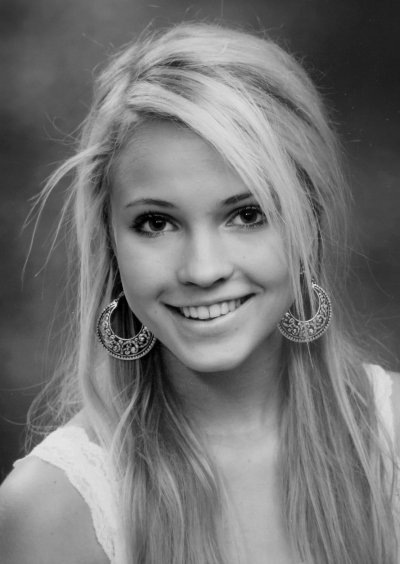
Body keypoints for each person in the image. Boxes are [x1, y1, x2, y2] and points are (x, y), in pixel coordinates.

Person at [0, 21, 398, 564]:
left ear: (310, 222)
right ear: (110, 242)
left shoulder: (391, 445)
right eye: (156, 223)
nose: (203, 270)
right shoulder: (51, 509)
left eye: (247, 214)